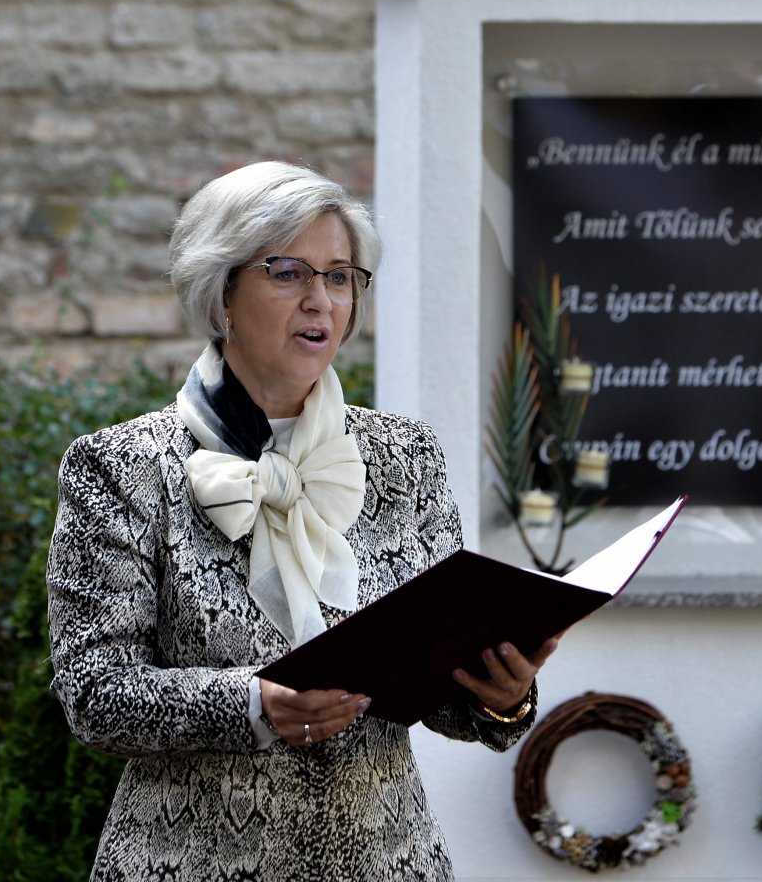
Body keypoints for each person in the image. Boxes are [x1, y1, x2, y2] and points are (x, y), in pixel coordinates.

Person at [48, 161, 557, 881]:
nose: (321, 300)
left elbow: (438, 688)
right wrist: (253, 704)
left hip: (388, 860)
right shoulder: (121, 466)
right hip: (191, 865)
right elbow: (94, 692)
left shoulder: (405, 457)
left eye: (341, 276)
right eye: (288, 273)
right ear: (221, 292)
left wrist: (500, 698)